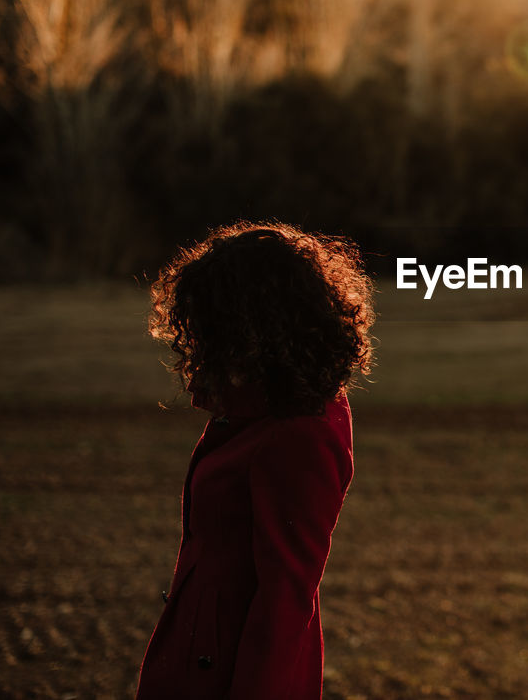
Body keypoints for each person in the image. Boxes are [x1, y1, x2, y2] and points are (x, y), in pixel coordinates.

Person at [135, 222, 374, 700]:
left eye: (209, 331)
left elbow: (285, 600)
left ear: (253, 332)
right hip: (199, 654)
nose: (197, 347)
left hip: (223, 674)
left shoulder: (299, 433)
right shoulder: (266, 403)